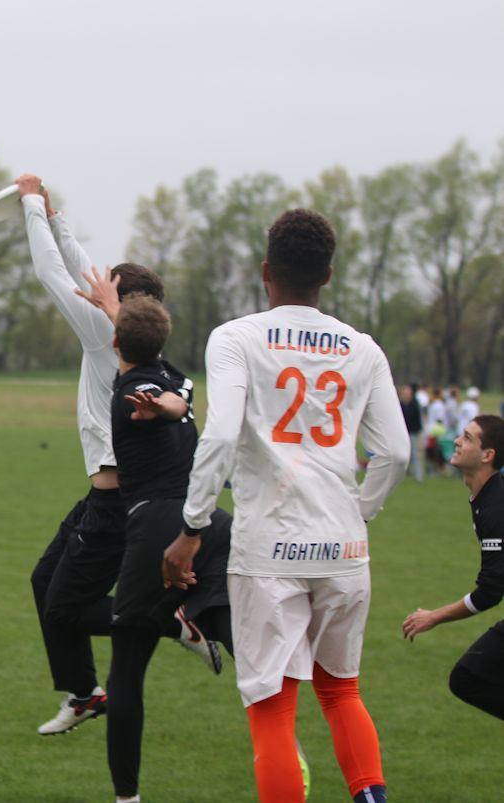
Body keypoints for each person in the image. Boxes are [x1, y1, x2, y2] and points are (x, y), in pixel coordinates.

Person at [163, 209, 410, 803]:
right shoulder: (364, 348)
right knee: (342, 693)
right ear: (327, 275)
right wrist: (361, 511)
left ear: (265, 271)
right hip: (343, 547)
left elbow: (220, 437)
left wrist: (192, 527)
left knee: (273, 709)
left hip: (269, 548)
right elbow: (396, 453)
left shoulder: (236, 338)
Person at [16, 174, 219, 738]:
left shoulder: (102, 333)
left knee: (64, 609)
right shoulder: (137, 339)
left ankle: (170, 620)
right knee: (44, 581)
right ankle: (84, 695)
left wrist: (30, 204)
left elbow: (52, 274)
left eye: (106, 290)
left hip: (116, 504)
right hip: (106, 496)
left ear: (116, 305)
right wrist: (56, 217)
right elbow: (86, 271)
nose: (93, 290)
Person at [100, 293, 233, 803]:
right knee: (239, 640)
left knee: (127, 665)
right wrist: (114, 309)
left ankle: (127, 798)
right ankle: (283, 738)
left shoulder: (135, 389)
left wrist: (157, 407)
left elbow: (161, 399)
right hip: (210, 523)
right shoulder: (175, 374)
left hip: (160, 528)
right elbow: (175, 396)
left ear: (115, 342)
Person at [402, 414, 504, 720]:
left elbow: (490, 592)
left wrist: (434, 616)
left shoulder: (495, 507)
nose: (457, 441)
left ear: (487, 455)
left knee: (467, 678)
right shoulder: (487, 497)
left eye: (468, 438)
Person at [400, 382, 424, 482]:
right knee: (403, 455)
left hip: (412, 433)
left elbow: (418, 419)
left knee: (414, 454)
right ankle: (402, 474)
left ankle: (419, 476)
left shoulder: (415, 404)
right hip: (403, 433)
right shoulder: (401, 405)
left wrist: (418, 431)